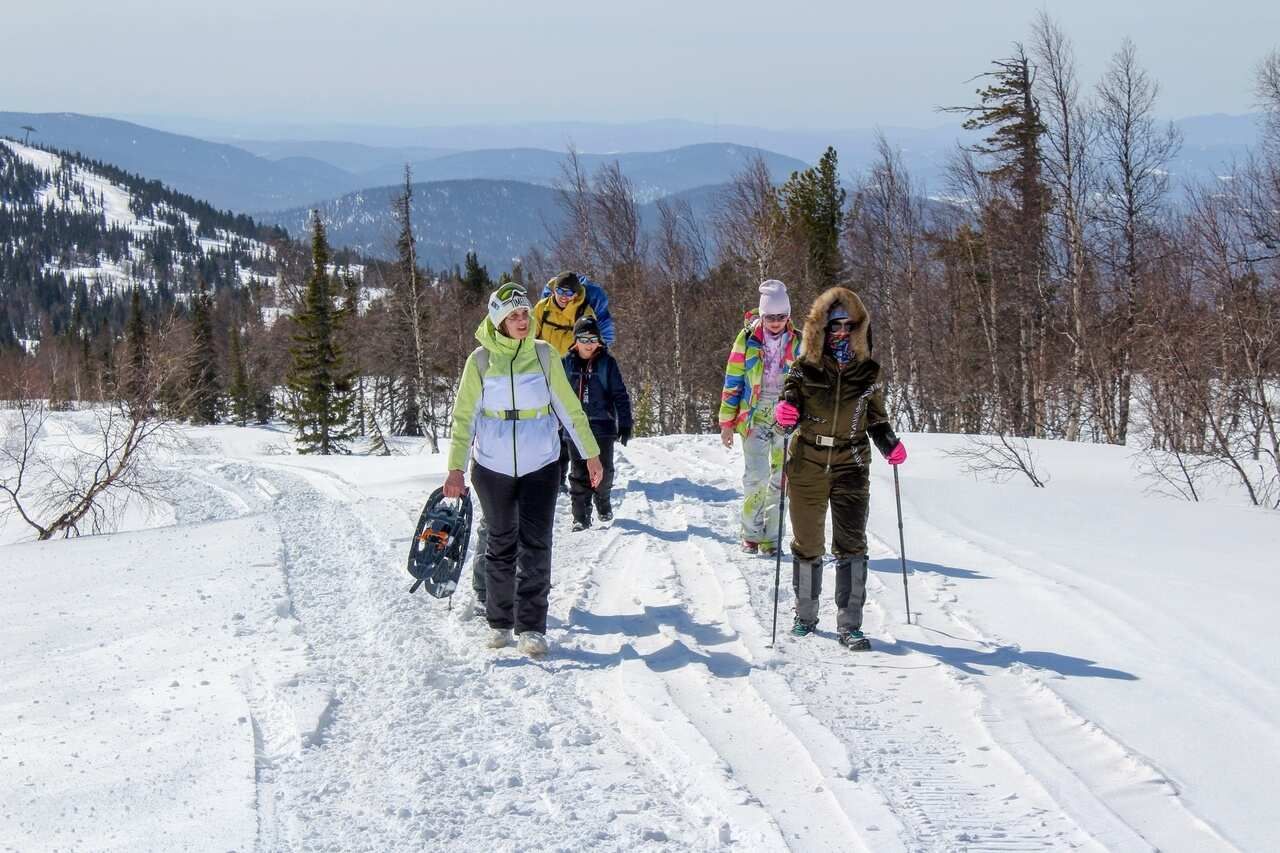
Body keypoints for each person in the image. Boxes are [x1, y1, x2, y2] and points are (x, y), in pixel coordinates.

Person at [445, 282, 603, 657]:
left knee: (536, 544)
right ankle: (499, 622)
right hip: (491, 466)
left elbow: (569, 408)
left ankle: (531, 627)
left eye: (525, 314)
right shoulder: (480, 361)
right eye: (513, 315)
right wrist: (455, 469)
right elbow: (463, 418)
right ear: (498, 320)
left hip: (541, 464)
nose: (522, 321)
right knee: (500, 542)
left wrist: (590, 455)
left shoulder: (545, 355)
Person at [774, 286, 907, 651]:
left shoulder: (865, 374)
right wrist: (785, 415)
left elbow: (876, 419)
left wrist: (889, 445)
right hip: (808, 463)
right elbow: (788, 407)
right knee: (808, 543)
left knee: (852, 543)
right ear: (821, 329)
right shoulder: (804, 370)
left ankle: (851, 625)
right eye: (835, 326)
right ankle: (805, 615)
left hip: (852, 462)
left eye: (849, 326)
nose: (842, 333)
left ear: (860, 328)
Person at [717, 279, 801, 556]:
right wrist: (727, 422)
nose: (776, 322)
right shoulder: (748, 339)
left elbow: (808, 383)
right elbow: (733, 380)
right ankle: (751, 532)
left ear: (788, 315)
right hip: (753, 414)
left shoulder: (798, 341)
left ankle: (772, 537)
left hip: (786, 415)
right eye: (770, 317)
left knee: (781, 477)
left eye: (781, 317)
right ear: (762, 315)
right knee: (757, 475)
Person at [562, 315, 633, 531]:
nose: (588, 344)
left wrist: (625, 423)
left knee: (605, 470)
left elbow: (620, 394)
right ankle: (580, 516)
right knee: (579, 472)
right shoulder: (566, 363)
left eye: (593, 339)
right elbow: (556, 395)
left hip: (603, 425)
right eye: (583, 339)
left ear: (599, 341)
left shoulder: (607, 363)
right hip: (574, 427)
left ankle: (602, 500)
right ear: (575, 341)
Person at [539, 271, 616, 346]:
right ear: (554, 291)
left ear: (576, 295)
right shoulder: (545, 304)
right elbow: (535, 327)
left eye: (569, 293)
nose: (563, 296)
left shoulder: (589, 306)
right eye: (559, 291)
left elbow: (604, 331)